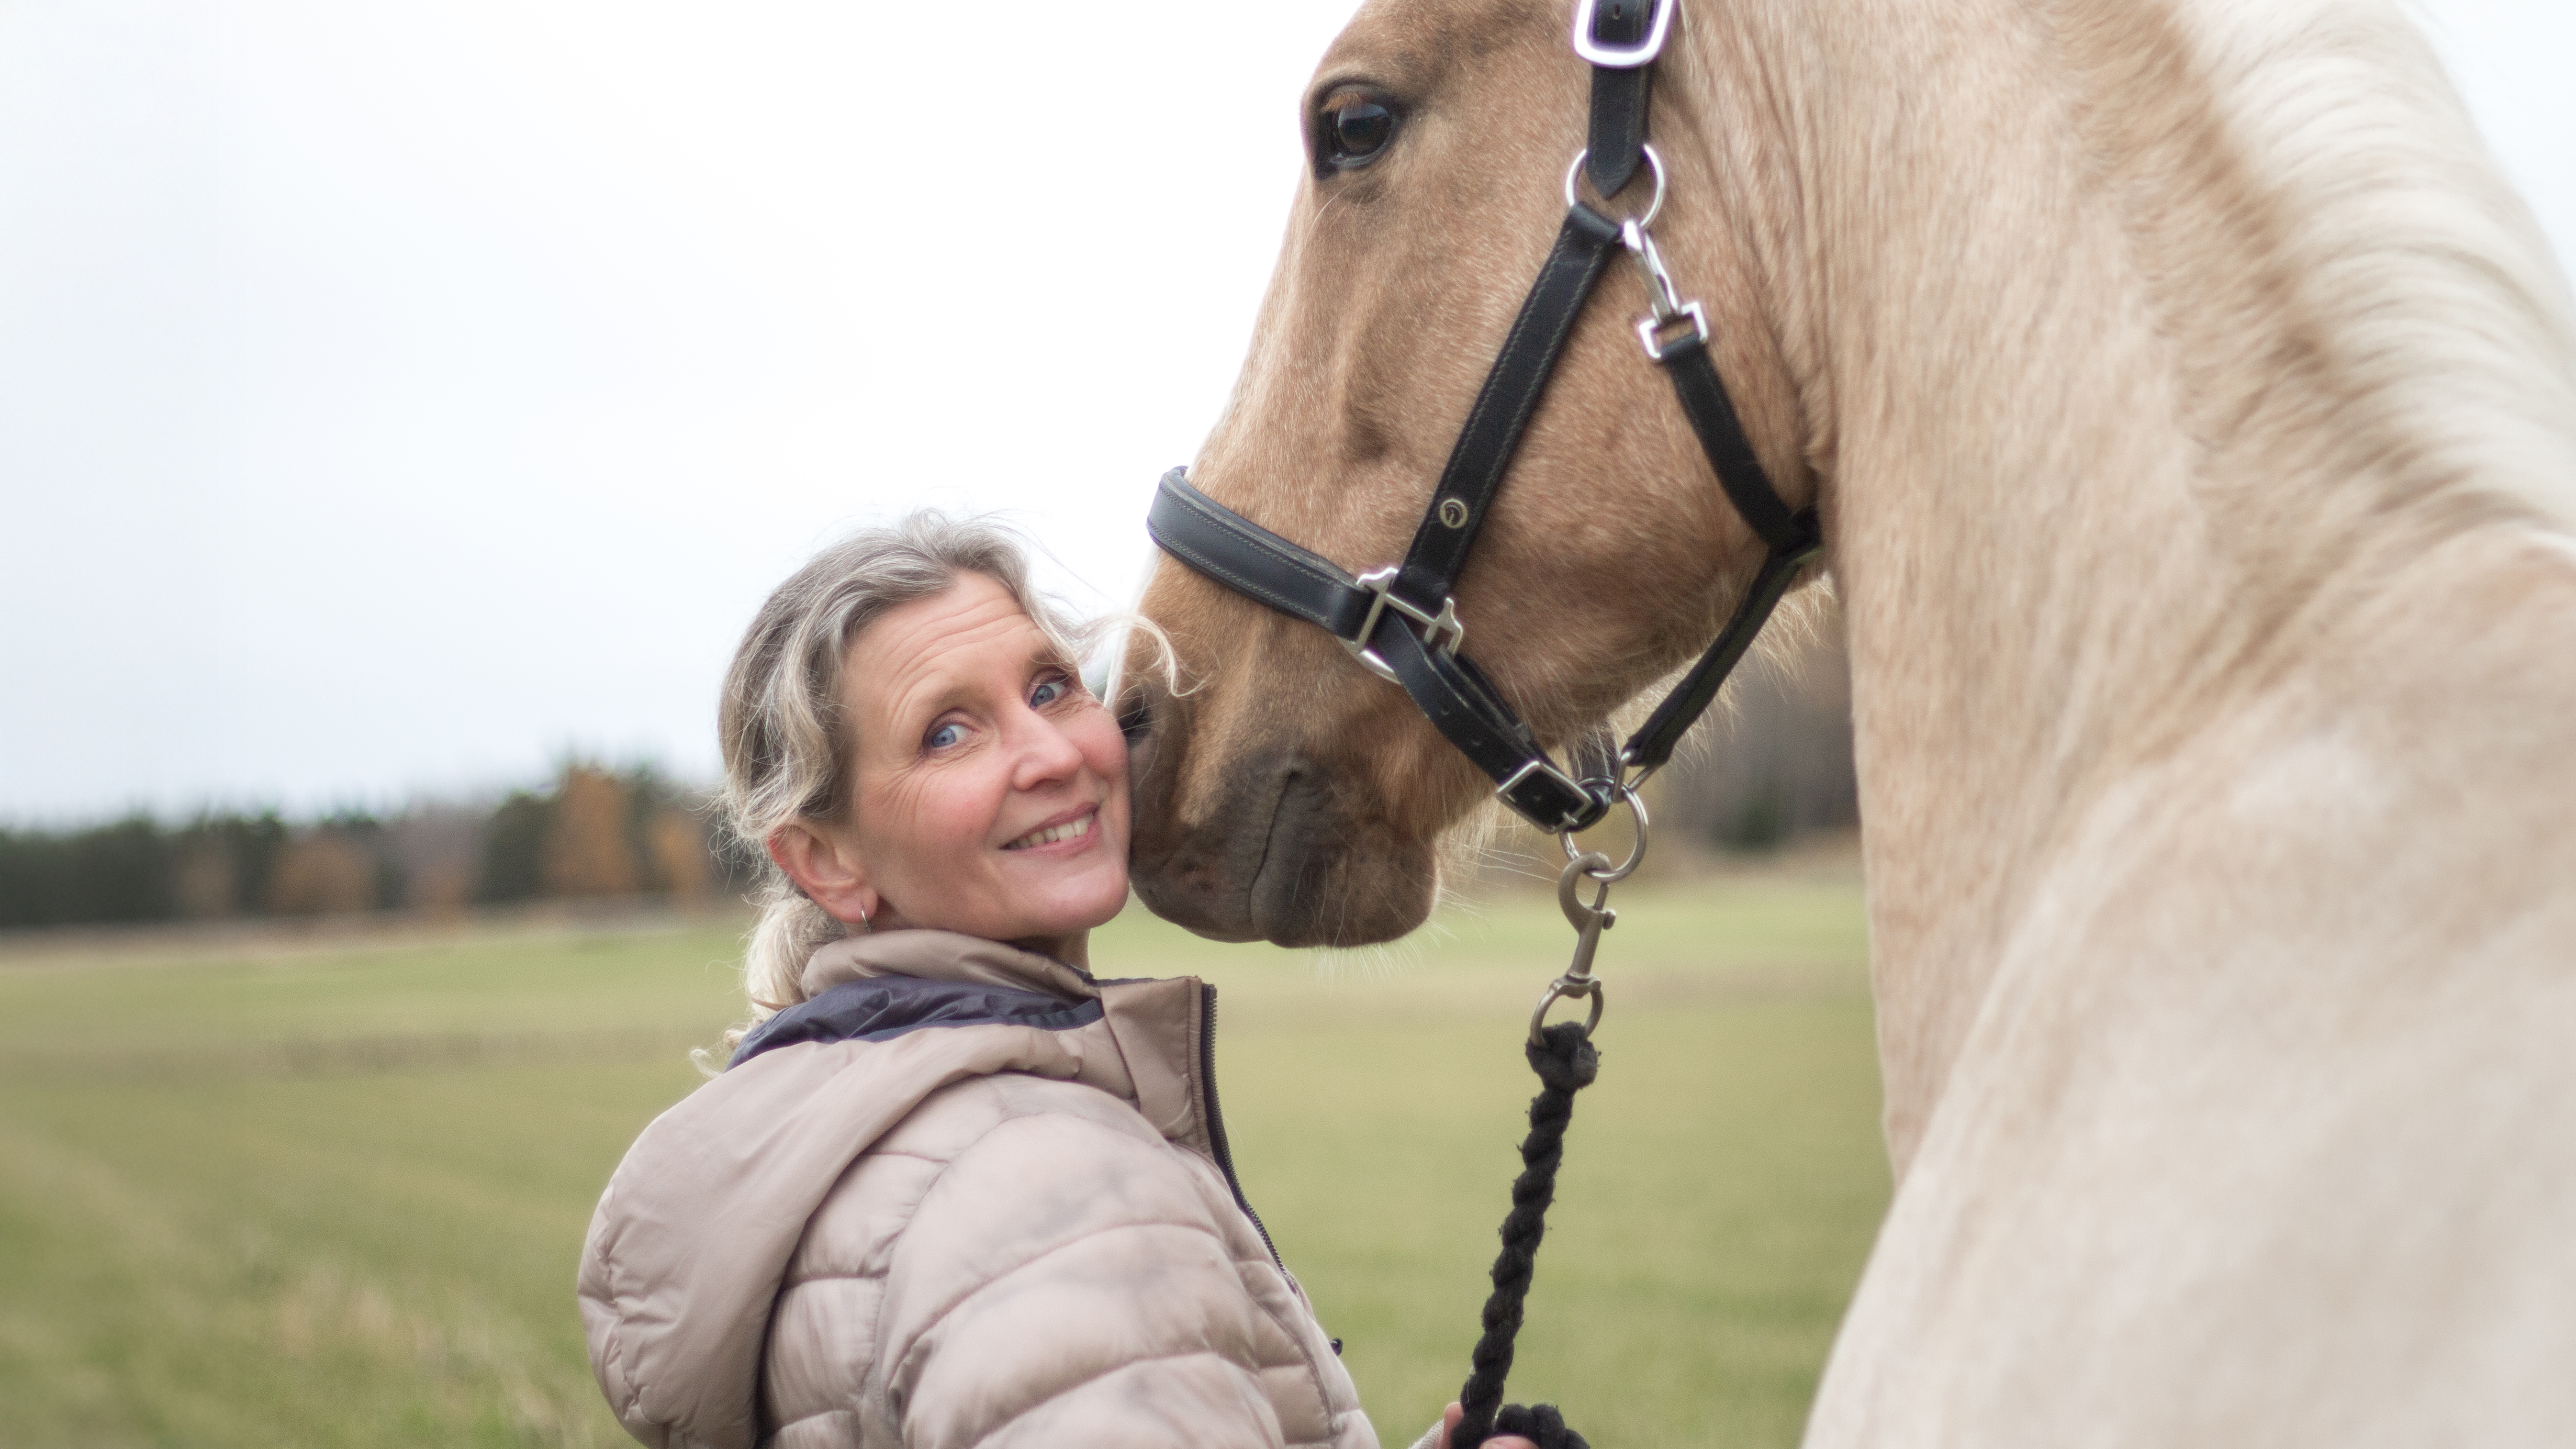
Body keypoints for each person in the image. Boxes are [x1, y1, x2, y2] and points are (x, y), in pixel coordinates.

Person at [576, 513, 1378, 1449]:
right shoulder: (1048, 1186)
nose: (1053, 753)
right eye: (948, 732)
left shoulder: (860, 1132)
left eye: (1051, 686)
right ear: (825, 861)